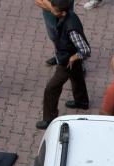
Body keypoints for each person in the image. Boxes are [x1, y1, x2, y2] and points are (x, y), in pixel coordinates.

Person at [38, 0, 91, 129]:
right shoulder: (69, 16)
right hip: (70, 56)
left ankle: (49, 119)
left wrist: (74, 57)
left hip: (67, 60)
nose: (52, 10)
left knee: (51, 88)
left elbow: (85, 50)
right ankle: (82, 102)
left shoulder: (71, 28)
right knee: (77, 77)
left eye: (54, 10)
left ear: (62, 12)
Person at [35, 0, 75, 64]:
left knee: (70, 37)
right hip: (50, 17)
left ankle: (77, 60)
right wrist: (54, 9)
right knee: (53, 36)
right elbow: (37, 1)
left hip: (64, 15)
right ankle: (59, 56)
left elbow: (65, 3)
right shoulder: (55, 10)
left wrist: (46, 3)